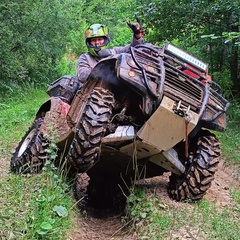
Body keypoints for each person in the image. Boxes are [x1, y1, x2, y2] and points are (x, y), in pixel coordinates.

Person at [76, 19, 144, 83]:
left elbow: (133, 49)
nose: (97, 42)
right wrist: (103, 68)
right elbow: (82, 75)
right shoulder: (85, 58)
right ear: (89, 42)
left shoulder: (115, 52)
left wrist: (137, 36)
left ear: (106, 40)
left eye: (99, 39)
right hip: (93, 91)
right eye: (93, 40)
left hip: (118, 90)